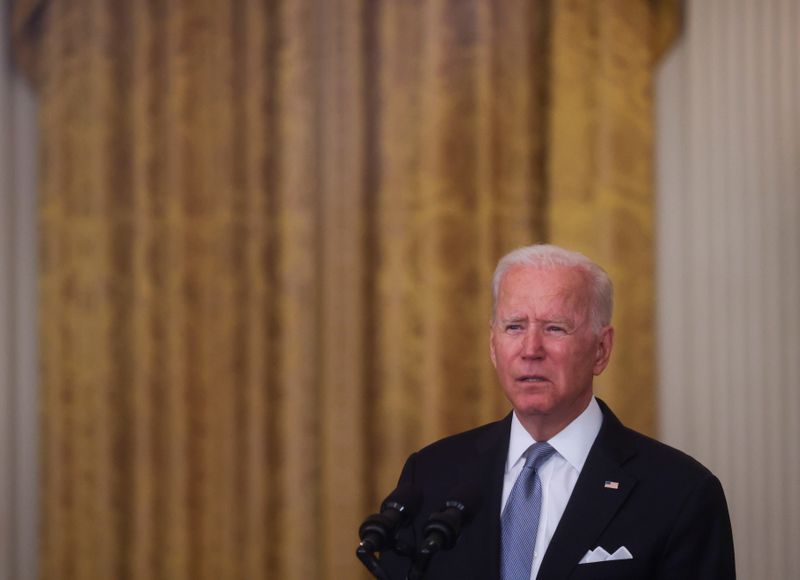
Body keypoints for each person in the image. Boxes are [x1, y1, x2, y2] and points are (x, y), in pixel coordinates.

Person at [380, 244, 735, 580]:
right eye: (515, 327)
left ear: (601, 349)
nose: (531, 349)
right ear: (493, 346)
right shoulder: (429, 475)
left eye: (555, 328)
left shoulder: (681, 493)